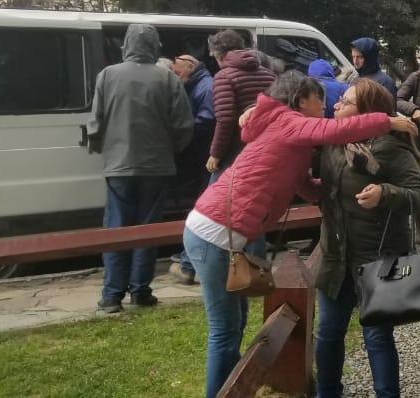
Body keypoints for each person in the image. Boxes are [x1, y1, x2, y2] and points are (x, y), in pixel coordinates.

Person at [184, 72, 416, 398]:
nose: (327, 105)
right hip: (215, 230)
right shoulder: (290, 122)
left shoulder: (291, 133)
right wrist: (389, 121)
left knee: (233, 326)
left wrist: (341, 189)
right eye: (320, 99)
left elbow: (306, 187)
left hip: (225, 230)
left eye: (337, 101)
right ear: (301, 99)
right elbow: (334, 130)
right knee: (224, 330)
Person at [315, 80, 420, 398]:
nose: (337, 105)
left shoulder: (388, 147)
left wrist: (385, 193)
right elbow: (290, 127)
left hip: (378, 257)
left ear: (366, 111)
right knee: (328, 333)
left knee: (377, 337)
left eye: (346, 101)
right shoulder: (333, 142)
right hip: (335, 255)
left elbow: (419, 194)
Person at [86, 24, 194, 313]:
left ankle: (111, 297)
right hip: (157, 166)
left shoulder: (107, 75)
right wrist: (169, 150)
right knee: (148, 229)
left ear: (127, 45)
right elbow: (184, 125)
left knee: (116, 229)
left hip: (118, 167)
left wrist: (103, 150)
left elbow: (96, 121)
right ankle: (140, 291)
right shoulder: (167, 78)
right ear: (155, 46)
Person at [168, 54, 216, 285]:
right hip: (202, 157)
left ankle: (189, 263)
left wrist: (182, 133)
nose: (177, 77)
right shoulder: (197, 84)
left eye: (178, 73)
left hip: (205, 157)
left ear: (190, 66)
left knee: (203, 209)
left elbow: (206, 121)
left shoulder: (205, 87)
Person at [207, 29, 277, 181]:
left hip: (237, 150)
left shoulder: (223, 77)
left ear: (219, 55)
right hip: (267, 148)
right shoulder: (269, 74)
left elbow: (225, 119)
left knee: (215, 196)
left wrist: (216, 154)